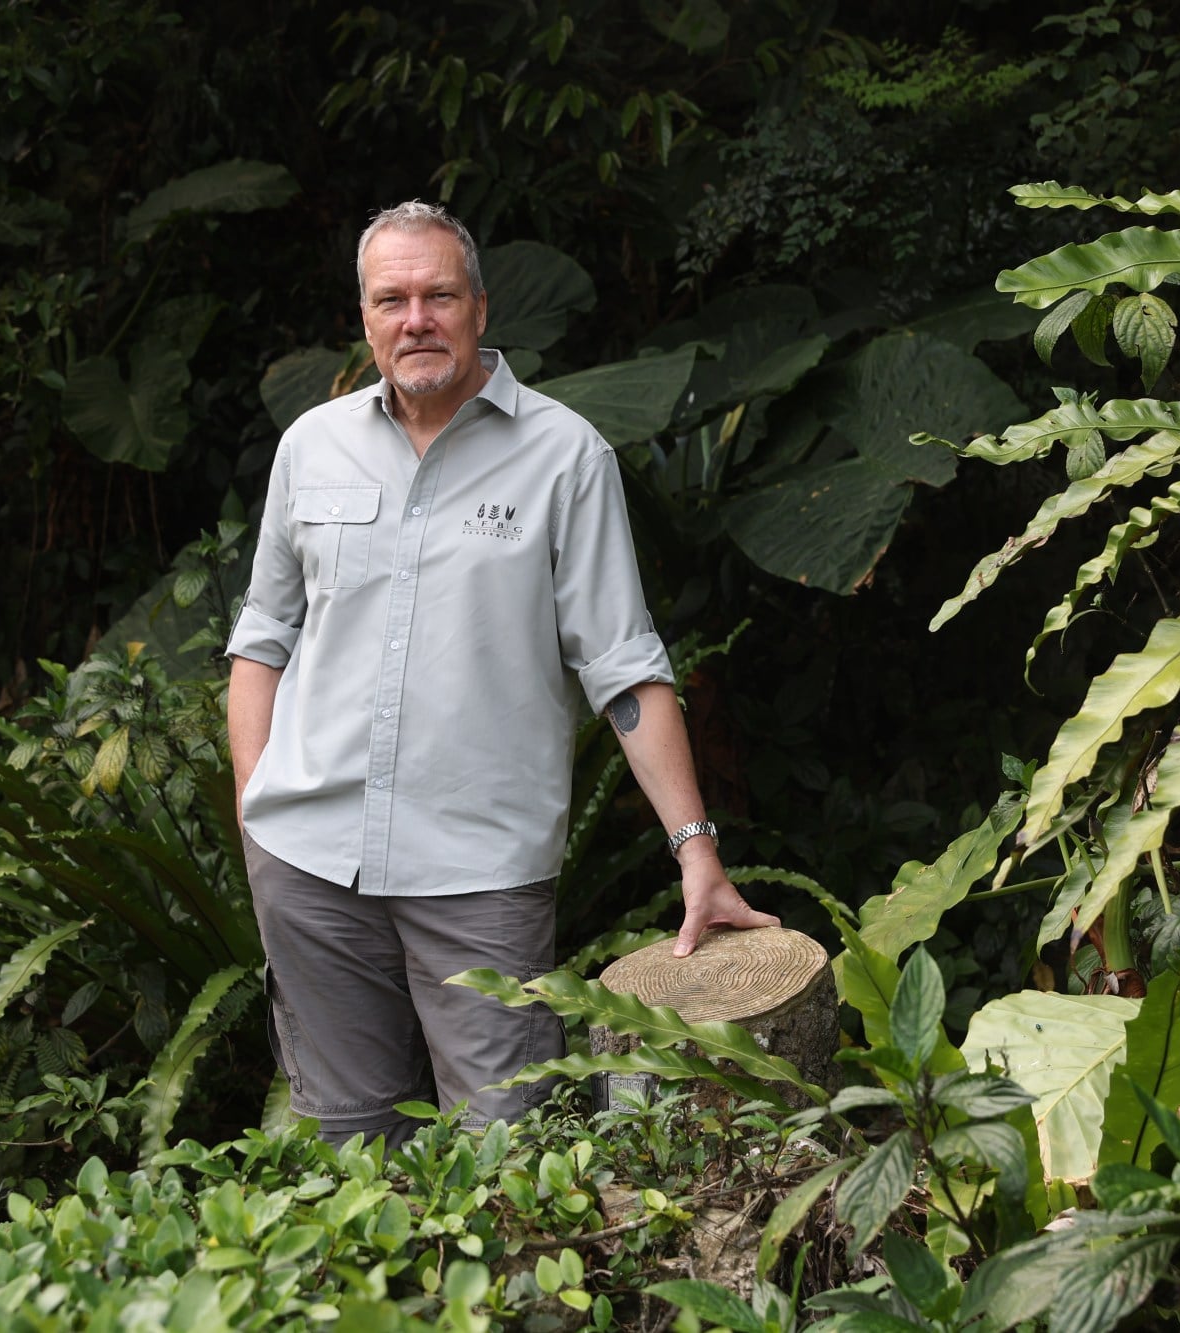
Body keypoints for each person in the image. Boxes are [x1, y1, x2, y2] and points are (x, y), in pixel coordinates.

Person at [224, 200, 777, 1145]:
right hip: (310, 868)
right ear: (365, 318)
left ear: (479, 308)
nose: (416, 320)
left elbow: (623, 665)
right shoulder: (310, 446)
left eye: (438, 296)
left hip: (480, 875)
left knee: (507, 1152)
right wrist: (256, 814)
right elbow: (263, 636)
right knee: (348, 1149)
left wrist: (696, 850)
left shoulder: (564, 457)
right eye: (392, 300)